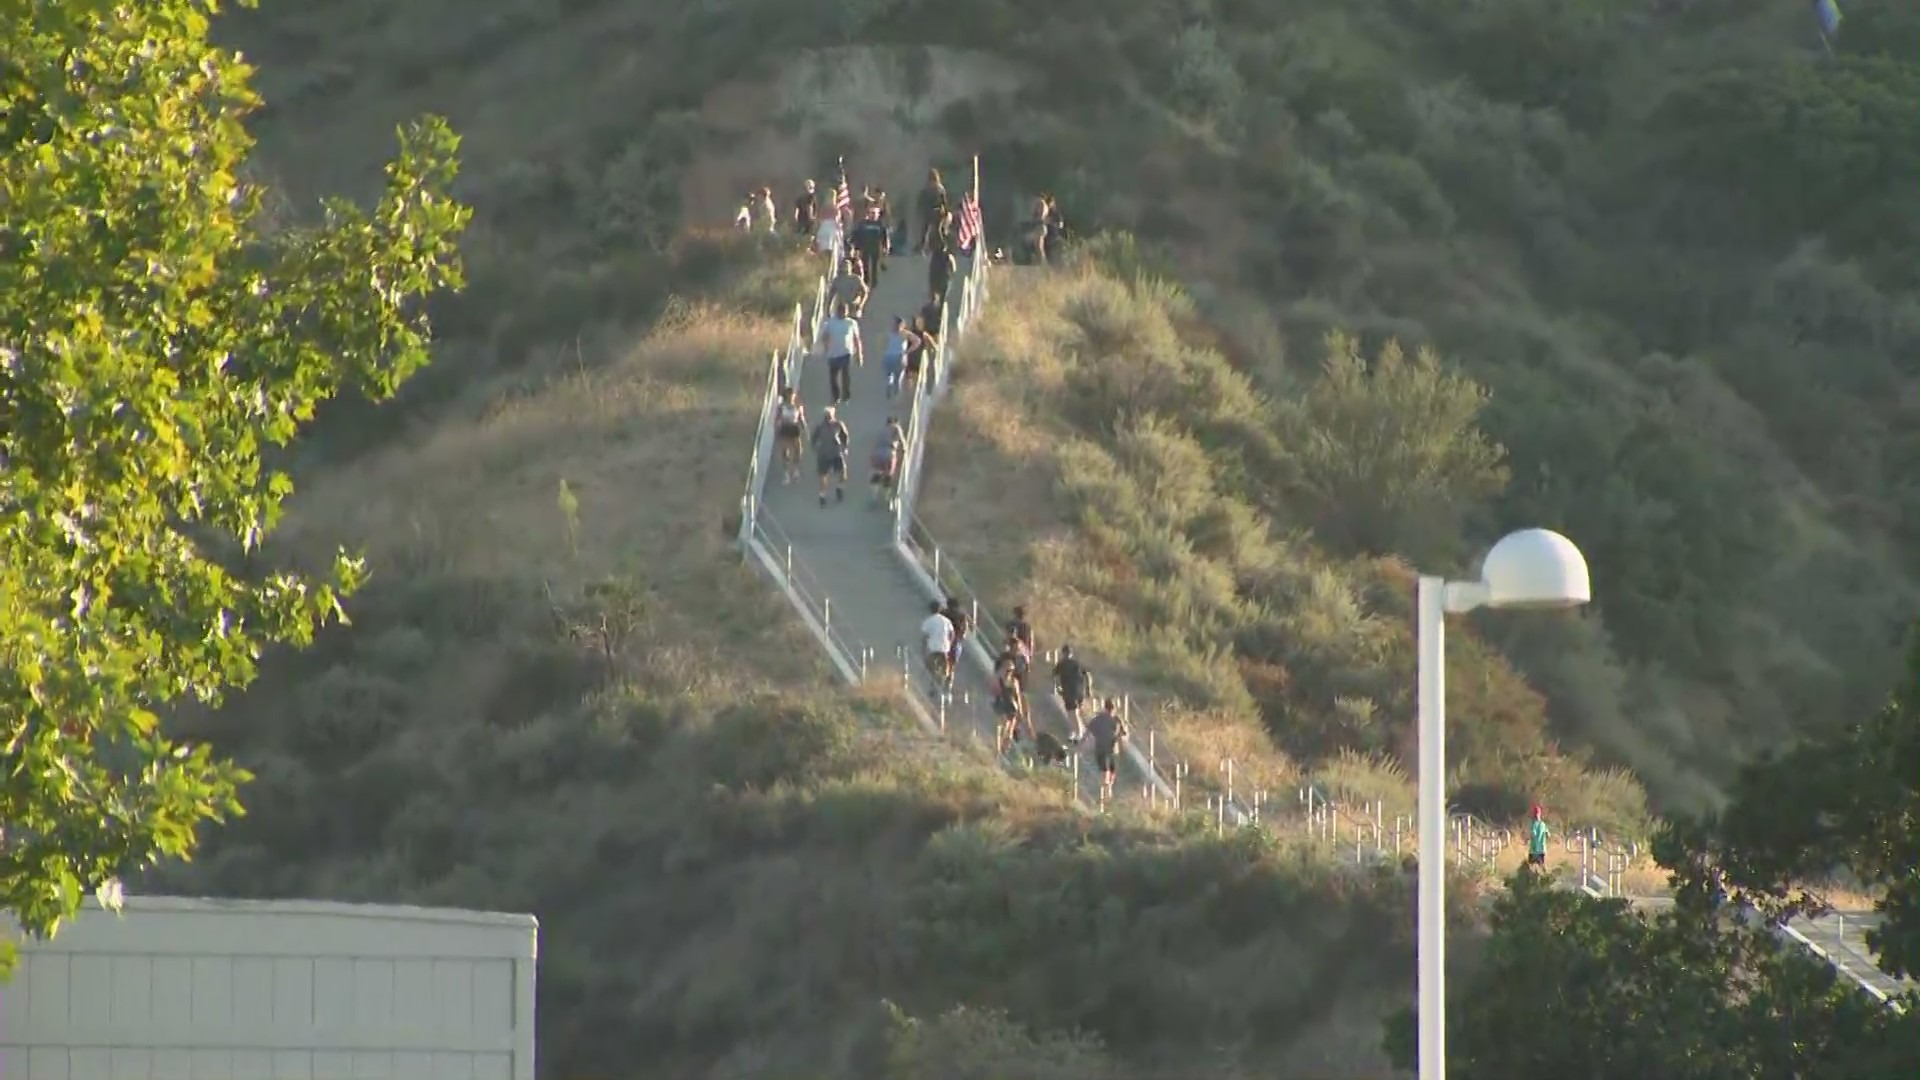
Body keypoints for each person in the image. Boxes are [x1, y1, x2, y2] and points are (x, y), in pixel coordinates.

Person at [816, 302, 862, 405]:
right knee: (833, 377)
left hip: (846, 352)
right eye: (842, 311)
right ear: (838, 311)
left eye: (846, 311)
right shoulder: (830, 323)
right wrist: (825, 347)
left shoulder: (851, 323)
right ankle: (835, 396)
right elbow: (824, 336)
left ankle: (846, 396)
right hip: (833, 353)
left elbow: (857, 339)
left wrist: (859, 354)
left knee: (846, 375)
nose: (844, 313)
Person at [1084, 698, 1127, 801]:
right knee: (1108, 771)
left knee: (1108, 771)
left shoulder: (1099, 719)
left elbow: (1088, 732)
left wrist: (1083, 744)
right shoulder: (1115, 720)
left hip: (1105, 749)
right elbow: (1123, 735)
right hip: (1108, 750)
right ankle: (1105, 793)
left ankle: (1107, 790)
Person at [811, 405, 850, 507]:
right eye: (826, 415)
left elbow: (845, 436)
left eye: (830, 415)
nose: (828, 417)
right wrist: (815, 448)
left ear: (833, 415)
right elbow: (814, 439)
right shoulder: (820, 427)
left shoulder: (838, 425)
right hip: (824, 454)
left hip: (836, 452)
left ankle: (839, 488)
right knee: (823, 476)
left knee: (843, 472)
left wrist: (845, 447)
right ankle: (822, 496)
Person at [1052, 644, 1093, 740]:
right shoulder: (1075, 663)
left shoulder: (1062, 664)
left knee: (1073, 712)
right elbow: (1087, 675)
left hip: (1071, 691)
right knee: (1072, 712)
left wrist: (1057, 687)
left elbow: (1055, 676)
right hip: (1075, 691)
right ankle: (1075, 731)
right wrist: (1088, 689)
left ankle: (1078, 732)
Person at [993, 652, 1026, 755]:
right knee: (1002, 727)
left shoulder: (1014, 681)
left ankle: (1004, 749)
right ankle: (998, 749)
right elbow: (994, 692)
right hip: (1001, 704)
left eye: (1011, 670)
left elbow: (1018, 696)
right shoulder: (998, 679)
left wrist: (1020, 710)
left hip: (1011, 707)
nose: (1009, 672)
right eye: (1007, 670)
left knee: (1009, 731)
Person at [773, 386, 807, 485]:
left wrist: (805, 428)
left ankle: (796, 470)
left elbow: (801, 418)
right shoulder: (781, 406)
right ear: (786, 396)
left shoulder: (797, 406)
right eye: (789, 395)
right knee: (785, 452)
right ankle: (786, 473)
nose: (791, 397)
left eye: (792, 395)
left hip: (794, 428)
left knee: (798, 450)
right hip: (784, 428)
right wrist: (776, 427)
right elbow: (777, 418)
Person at [870, 417, 907, 507]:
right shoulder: (896, 428)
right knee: (887, 477)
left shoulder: (881, 430)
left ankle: (873, 498)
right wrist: (905, 449)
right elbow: (902, 442)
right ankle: (888, 500)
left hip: (877, 454)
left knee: (876, 475)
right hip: (889, 454)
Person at [920, 599, 955, 695]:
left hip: (933, 649)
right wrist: (949, 643)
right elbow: (952, 634)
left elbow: (924, 636)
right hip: (944, 649)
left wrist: (923, 650)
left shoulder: (928, 621)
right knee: (945, 669)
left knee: (932, 669)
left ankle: (934, 687)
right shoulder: (946, 621)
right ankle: (944, 687)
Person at [850, 206, 889, 288]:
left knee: (875, 265)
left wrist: (886, 247)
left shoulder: (880, 224)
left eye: (875, 213)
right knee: (865, 265)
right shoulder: (863, 224)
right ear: (868, 214)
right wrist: (856, 247)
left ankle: (874, 281)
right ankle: (866, 280)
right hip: (865, 247)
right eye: (872, 213)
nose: (873, 215)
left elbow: (884, 236)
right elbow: (857, 235)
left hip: (876, 247)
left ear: (878, 214)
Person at [882, 316, 918, 400]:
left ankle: (889, 383)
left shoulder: (889, 332)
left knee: (889, 374)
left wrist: (885, 349)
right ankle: (895, 397)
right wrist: (908, 351)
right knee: (898, 379)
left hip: (889, 356)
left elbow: (882, 341)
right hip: (900, 356)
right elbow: (917, 341)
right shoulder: (905, 333)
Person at [915, 168, 949, 254]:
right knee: (934, 230)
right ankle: (938, 245)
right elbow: (944, 202)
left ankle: (938, 245)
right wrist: (945, 211)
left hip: (932, 211)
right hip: (936, 211)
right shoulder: (940, 188)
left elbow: (921, 201)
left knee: (928, 230)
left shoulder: (931, 188)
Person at [942, 596, 972, 675]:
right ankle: (950, 676)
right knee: (952, 663)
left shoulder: (944, 613)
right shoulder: (961, 616)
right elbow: (965, 629)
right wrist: (962, 635)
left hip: (945, 640)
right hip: (954, 640)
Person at [1527, 805, 1550, 869]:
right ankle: (1545, 877)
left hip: (1534, 850)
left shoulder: (1534, 824)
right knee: (1542, 866)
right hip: (1541, 849)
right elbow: (1548, 834)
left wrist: (1527, 839)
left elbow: (1533, 834)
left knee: (1530, 867)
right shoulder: (1543, 824)